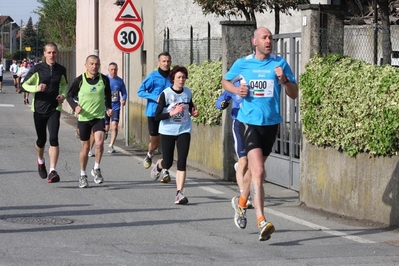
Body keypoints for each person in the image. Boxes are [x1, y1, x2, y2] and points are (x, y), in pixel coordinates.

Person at [221, 27, 298, 241]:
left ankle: (241, 203)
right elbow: (225, 81)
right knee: (259, 171)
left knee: (255, 173)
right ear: (254, 41)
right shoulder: (243, 63)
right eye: (264, 38)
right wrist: (236, 91)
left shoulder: (279, 64)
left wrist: (284, 81)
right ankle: (262, 220)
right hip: (249, 122)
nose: (268, 41)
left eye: (270, 38)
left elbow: (294, 94)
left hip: (271, 124)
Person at [152, 65, 199, 204]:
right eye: (178, 77)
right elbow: (157, 116)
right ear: (173, 78)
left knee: (182, 162)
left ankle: (179, 193)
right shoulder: (166, 94)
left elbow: (190, 106)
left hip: (184, 129)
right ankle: (159, 166)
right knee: (168, 162)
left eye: (183, 77)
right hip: (168, 130)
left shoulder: (187, 92)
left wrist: (193, 112)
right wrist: (172, 113)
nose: (181, 80)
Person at [21, 42, 68, 183]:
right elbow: (24, 85)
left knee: (53, 138)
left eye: (54, 52)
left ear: (57, 53)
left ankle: (53, 171)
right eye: (49, 52)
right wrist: (37, 87)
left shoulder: (61, 69)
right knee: (41, 140)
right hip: (39, 108)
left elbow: (65, 85)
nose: (52, 55)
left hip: (54, 108)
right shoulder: (37, 69)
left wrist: (63, 95)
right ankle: (40, 160)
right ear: (44, 54)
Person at [66, 54, 112, 188]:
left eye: (97, 64)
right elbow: (69, 96)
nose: (94, 66)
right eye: (91, 64)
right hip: (84, 118)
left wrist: (108, 108)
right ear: (86, 65)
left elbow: (108, 94)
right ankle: (82, 174)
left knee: (99, 143)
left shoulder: (104, 79)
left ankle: (96, 169)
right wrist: (75, 107)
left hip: (98, 117)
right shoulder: (79, 80)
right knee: (85, 149)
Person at [215, 82, 253, 209]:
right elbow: (220, 100)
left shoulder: (255, 83)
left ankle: (241, 170)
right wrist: (222, 104)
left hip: (254, 125)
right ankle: (244, 196)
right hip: (238, 125)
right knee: (244, 160)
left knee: (252, 163)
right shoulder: (234, 85)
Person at [137, 52, 172, 172]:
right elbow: (140, 91)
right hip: (153, 113)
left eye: (168, 61)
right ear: (159, 62)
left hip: (168, 113)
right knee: (155, 143)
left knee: (167, 141)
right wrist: (154, 97)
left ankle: (165, 169)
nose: (166, 63)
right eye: (163, 61)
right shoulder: (152, 76)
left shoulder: (173, 77)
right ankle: (150, 154)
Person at [105, 62, 127, 153]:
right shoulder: (104, 80)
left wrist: (124, 99)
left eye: (115, 70)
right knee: (106, 127)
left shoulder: (120, 81)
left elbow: (124, 92)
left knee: (114, 126)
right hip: (105, 106)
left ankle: (111, 145)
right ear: (108, 70)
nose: (114, 71)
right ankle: (105, 132)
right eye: (112, 69)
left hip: (115, 106)